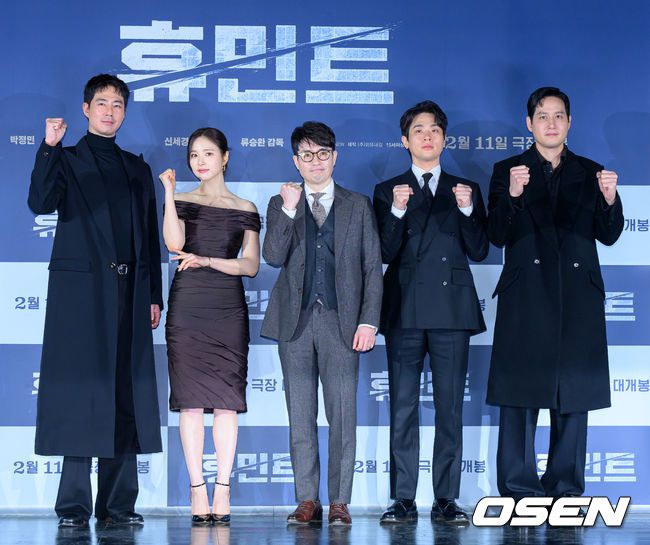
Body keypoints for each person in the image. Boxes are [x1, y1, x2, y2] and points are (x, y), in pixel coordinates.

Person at [28, 74, 164, 528]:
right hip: (81, 297)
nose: (110, 111)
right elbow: (39, 202)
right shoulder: (66, 160)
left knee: (125, 394)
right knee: (81, 395)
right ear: (86, 109)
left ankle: (118, 505)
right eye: (102, 103)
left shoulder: (137, 169)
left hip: (129, 292)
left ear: (125, 113)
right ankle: (72, 507)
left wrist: (153, 294)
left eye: (118, 105)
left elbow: (149, 237)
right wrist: (48, 147)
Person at [486, 87, 624, 504]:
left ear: (569, 122)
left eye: (558, 115)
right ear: (529, 123)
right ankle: (518, 491)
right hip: (526, 296)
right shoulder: (508, 170)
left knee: (573, 397)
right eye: (542, 116)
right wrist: (512, 196)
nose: (551, 123)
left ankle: (565, 491)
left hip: (576, 298)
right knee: (518, 397)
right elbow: (496, 234)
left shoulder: (591, 171)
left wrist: (610, 200)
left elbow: (609, 235)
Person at [261, 121, 383, 525]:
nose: (315, 162)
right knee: (300, 415)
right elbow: (272, 256)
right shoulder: (281, 203)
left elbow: (372, 268)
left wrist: (368, 321)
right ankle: (307, 500)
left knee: (343, 415)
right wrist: (289, 208)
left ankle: (340, 502)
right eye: (307, 155)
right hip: (294, 324)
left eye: (323, 154)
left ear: (335, 157)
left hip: (342, 323)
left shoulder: (357, 205)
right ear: (296, 161)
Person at [373, 101, 489, 525]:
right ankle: (403, 498)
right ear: (405, 140)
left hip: (452, 312)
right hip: (404, 308)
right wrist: (397, 212)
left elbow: (480, 250)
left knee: (449, 409)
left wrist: (468, 211)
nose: (427, 136)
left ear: (444, 139)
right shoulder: (388, 190)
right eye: (419, 130)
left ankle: (446, 498)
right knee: (402, 407)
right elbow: (384, 252)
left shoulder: (465, 188)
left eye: (435, 129)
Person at [159, 127, 260, 526]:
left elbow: (250, 266)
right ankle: (197, 488)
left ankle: (223, 488)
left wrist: (208, 260)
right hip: (188, 307)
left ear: (225, 157)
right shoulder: (182, 200)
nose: (199, 161)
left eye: (208, 154)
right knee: (190, 402)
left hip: (227, 309)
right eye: (193, 155)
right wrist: (169, 194)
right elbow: (173, 244)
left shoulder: (245, 207)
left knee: (226, 401)